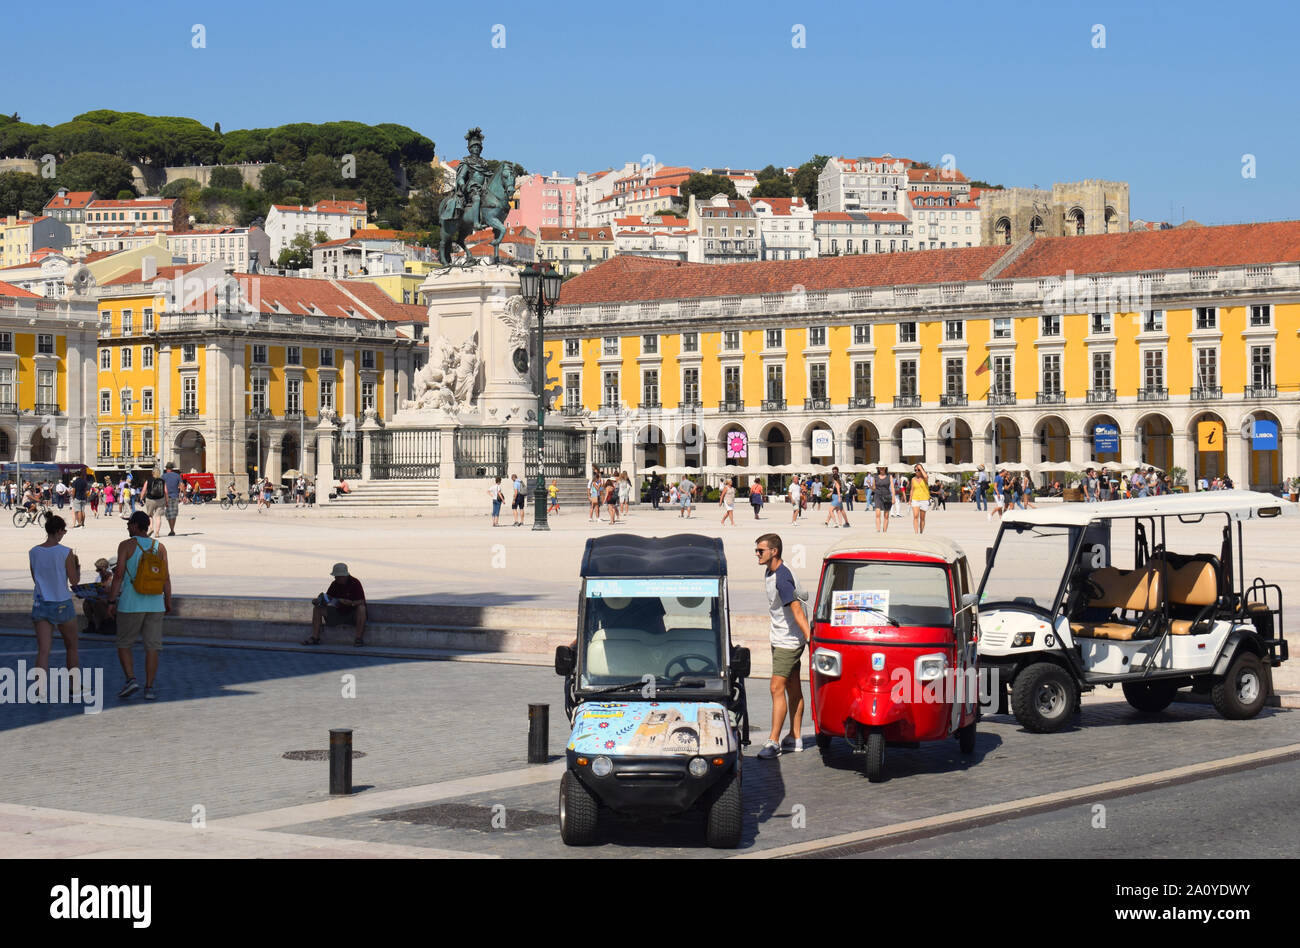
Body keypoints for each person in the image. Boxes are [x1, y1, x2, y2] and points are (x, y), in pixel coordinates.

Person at [755, 533, 811, 759]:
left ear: (774, 551)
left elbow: (797, 609)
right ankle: (795, 737)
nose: (757, 554)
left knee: (775, 688)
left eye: (761, 551)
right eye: (756, 550)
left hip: (788, 642)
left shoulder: (782, 577)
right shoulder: (771, 571)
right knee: (792, 687)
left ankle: (773, 742)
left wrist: (810, 637)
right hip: (781, 637)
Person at [107, 511, 171, 700]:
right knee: (152, 647)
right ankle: (149, 687)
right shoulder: (159, 547)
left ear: (135, 526)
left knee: (124, 643)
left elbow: (118, 575)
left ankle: (131, 679)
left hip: (131, 603)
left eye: (129, 524)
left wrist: (111, 600)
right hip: (155, 603)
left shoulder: (126, 546)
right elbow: (166, 577)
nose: (127, 527)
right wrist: (168, 600)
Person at [29, 514, 82, 701]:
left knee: (43, 649)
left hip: (41, 602)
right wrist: (77, 568)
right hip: (61, 602)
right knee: (71, 646)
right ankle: (74, 685)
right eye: (64, 531)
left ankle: (39, 689)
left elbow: (36, 578)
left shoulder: (33, 551)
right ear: (58, 531)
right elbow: (74, 582)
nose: (64, 534)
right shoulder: (65, 552)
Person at [302, 563, 367, 648]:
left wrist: (351, 603)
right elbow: (328, 598)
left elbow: (362, 601)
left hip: (352, 614)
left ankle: (358, 638)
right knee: (317, 609)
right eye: (335, 577)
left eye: (337, 577)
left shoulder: (355, 583)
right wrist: (319, 601)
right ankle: (315, 638)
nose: (336, 578)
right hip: (337, 612)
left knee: (361, 609)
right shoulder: (335, 584)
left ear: (344, 576)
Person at [82, 556, 116, 637]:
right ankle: (92, 623)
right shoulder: (99, 577)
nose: (99, 572)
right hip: (101, 597)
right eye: (97, 570)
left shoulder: (112, 577)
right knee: (87, 602)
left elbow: (112, 591)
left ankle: (108, 623)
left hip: (110, 599)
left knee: (99, 602)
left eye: (100, 570)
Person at [910, 463, 930, 534]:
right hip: (915, 499)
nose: (917, 471)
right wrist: (910, 500)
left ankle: (921, 532)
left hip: (924, 499)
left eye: (918, 470)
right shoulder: (913, 479)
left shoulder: (925, 478)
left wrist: (921, 468)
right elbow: (912, 489)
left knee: (922, 518)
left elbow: (926, 476)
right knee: (915, 516)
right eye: (915, 470)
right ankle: (916, 533)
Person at [871, 465, 892, 532]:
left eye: (882, 467)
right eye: (880, 467)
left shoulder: (889, 476)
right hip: (877, 495)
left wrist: (893, 497)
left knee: (886, 515)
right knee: (877, 514)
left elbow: (892, 488)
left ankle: (884, 531)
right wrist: (869, 485)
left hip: (887, 496)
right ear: (878, 468)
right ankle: (878, 530)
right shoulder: (875, 477)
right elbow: (874, 488)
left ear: (885, 468)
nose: (881, 469)